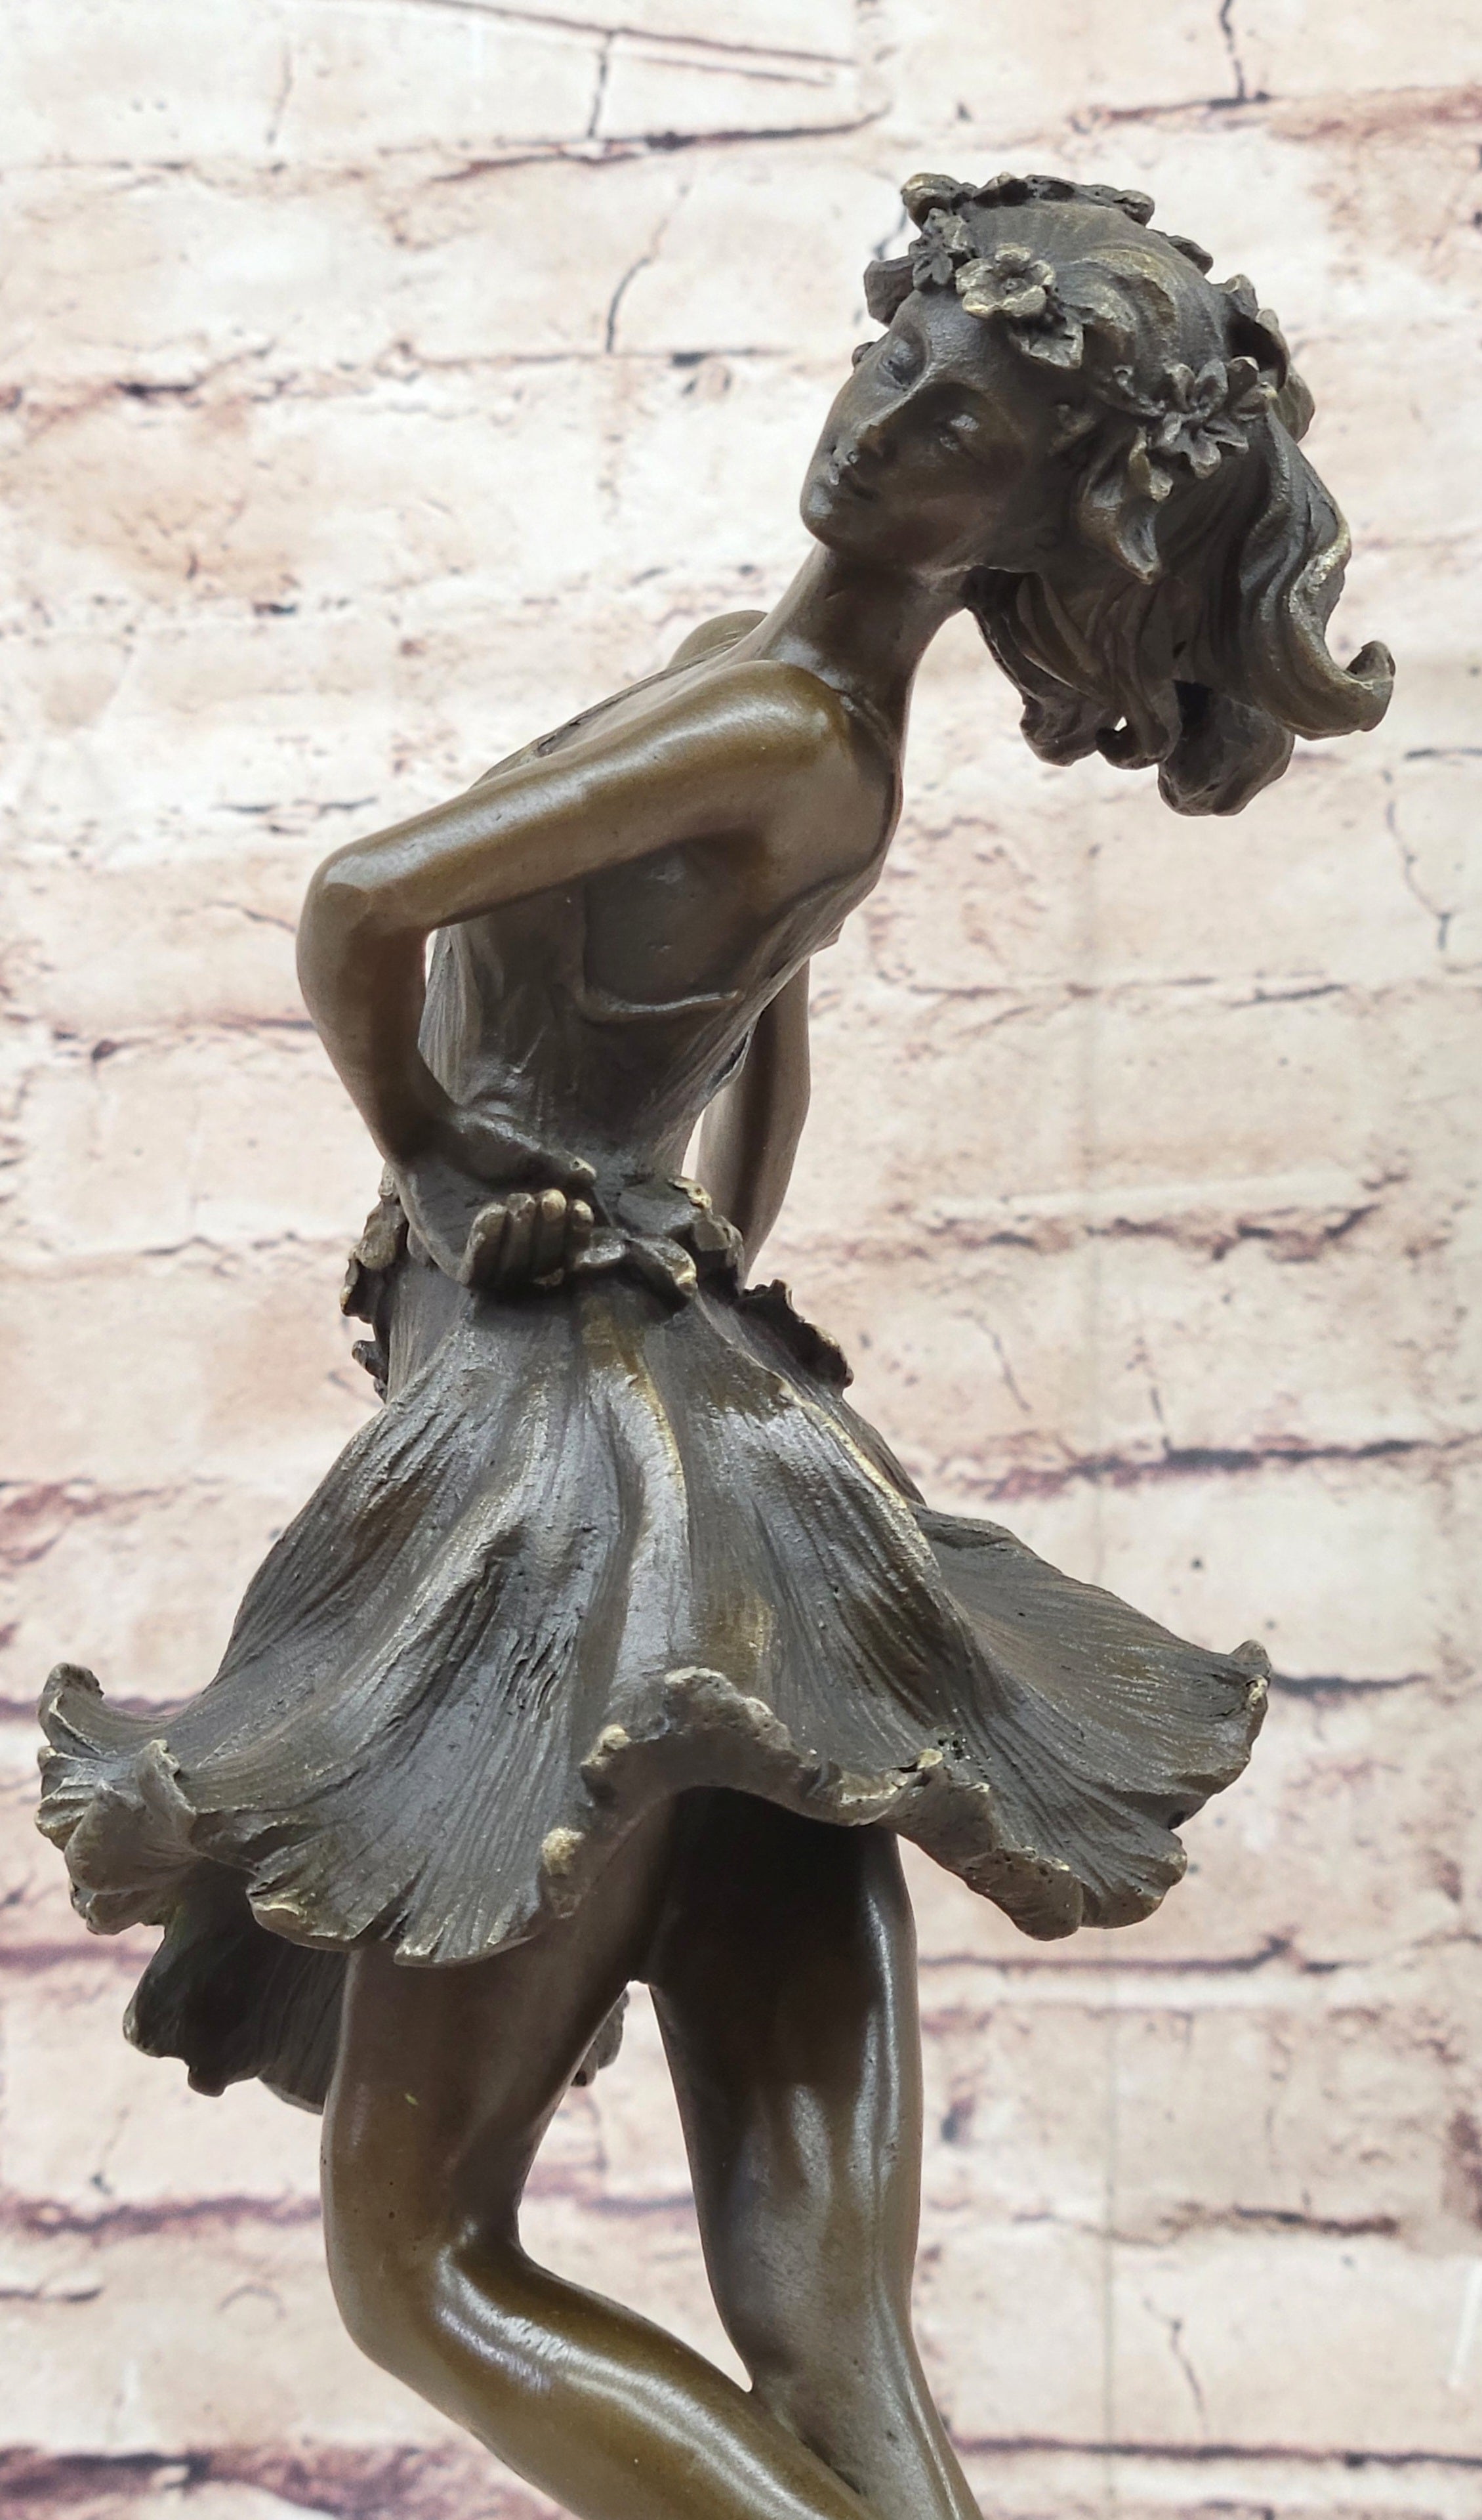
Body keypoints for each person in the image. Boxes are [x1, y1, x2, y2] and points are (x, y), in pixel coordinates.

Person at [39, 172, 1391, 2520]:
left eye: (958, 427)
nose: (880, 422)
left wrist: (437, 1163)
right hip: (743, 1499)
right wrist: (674, 1247)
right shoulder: (809, 732)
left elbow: (358, 904)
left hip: (564, 1513)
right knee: (828, 2320)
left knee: (419, 2274)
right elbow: (765, 1037)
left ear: (1038, 519)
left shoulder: (767, 717)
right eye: (894, 362)